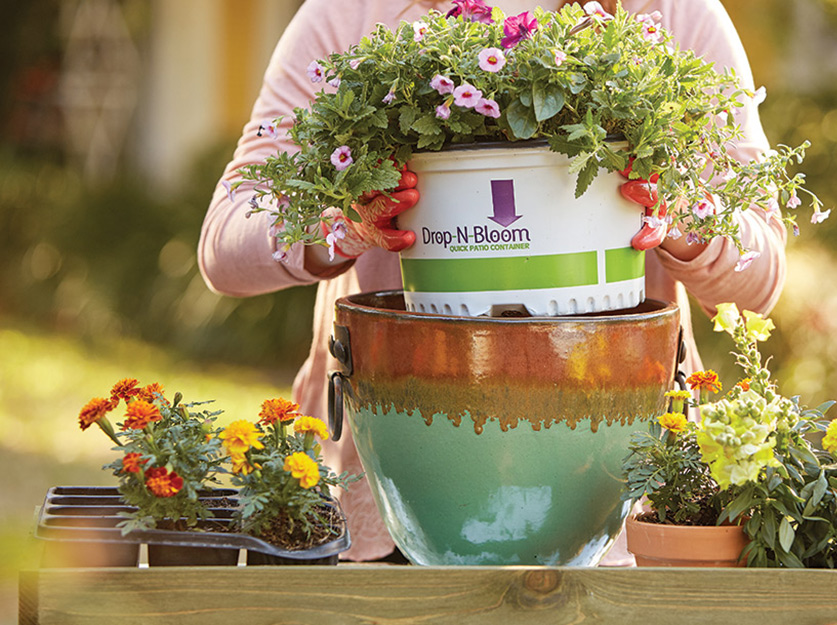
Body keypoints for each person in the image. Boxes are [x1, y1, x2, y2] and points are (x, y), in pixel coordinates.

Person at [199, 0, 786, 564]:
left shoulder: (666, 11)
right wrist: (344, 223)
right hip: (398, 484)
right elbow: (225, 242)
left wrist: (679, 216)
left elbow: (760, 278)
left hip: (622, 492)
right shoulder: (355, 13)